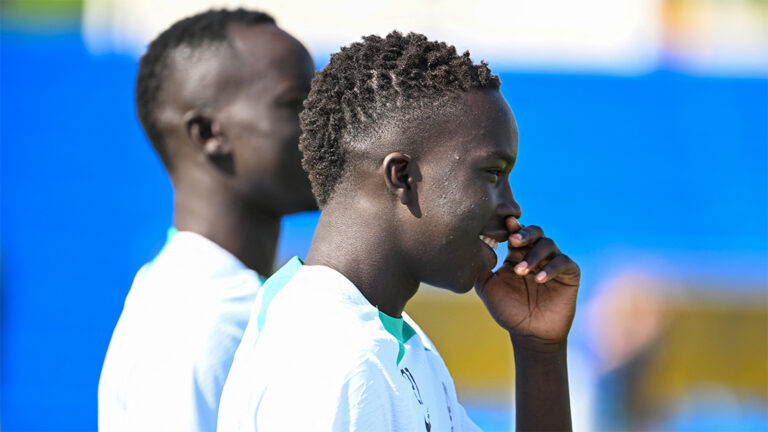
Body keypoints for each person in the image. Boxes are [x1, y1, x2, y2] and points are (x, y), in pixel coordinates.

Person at [218, 31, 581, 431]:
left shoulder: (397, 343)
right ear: (403, 176)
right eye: (493, 174)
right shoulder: (335, 361)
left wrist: (540, 351)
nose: (513, 208)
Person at [98, 9, 317, 431]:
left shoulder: (218, 298)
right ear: (207, 133)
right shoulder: (202, 316)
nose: (326, 126)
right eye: (296, 104)